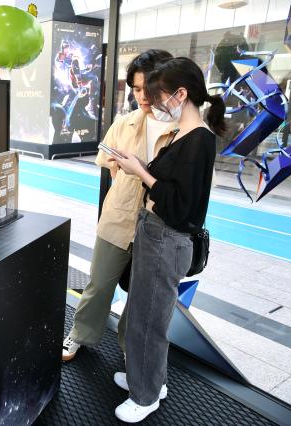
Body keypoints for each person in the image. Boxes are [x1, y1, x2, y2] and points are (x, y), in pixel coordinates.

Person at [109, 57, 225, 423]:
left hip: (167, 237)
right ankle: (149, 380)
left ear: (180, 93)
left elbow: (180, 205)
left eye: (159, 97)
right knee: (143, 312)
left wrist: (140, 171)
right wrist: (138, 165)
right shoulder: (183, 135)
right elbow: (162, 179)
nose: (156, 105)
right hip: (155, 233)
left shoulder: (198, 140)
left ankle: (145, 397)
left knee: (149, 320)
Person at [62, 49, 174, 361]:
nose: (142, 96)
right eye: (136, 89)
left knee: (141, 296)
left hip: (157, 222)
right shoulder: (124, 122)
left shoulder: (180, 130)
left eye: (147, 89)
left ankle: (130, 347)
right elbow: (105, 158)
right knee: (99, 283)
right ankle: (79, 334)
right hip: (118, 216)